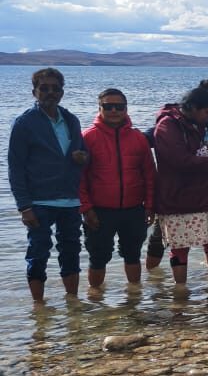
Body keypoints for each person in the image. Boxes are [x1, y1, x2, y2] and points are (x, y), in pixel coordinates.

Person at [8, 68, 89, 302]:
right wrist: (24, 206)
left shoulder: (71, 120)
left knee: (71, 251)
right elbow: (16, 167)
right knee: (38, 253)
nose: (50, 93)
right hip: (38, 201)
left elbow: (84, 153)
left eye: (55, 88)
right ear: (34, 92)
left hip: (70, 199)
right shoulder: (24, 123)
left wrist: (83, 157)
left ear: (62, 92)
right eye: (44, 88)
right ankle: (39, 308)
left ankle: (73, 303)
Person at [146, 78, 208, 270]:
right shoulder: (169, 124)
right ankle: (153, 278)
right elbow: (178, 158)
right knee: (168, 241)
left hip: (206, 191)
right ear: (194, 104)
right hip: (175, 195)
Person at [80, 88, 156, 291]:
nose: (114, 110)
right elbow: (79, 178)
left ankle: (134, 297)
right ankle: (95, 300)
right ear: (99, 108)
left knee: (133, 254)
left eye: (119, 106)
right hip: (99, 211)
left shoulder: (138, 138)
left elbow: (149, 174)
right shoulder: (87, 138)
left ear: (126, 109)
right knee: (98, 257)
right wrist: (86, 208)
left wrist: (150, 205)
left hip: (134, 209)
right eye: (108, 106)